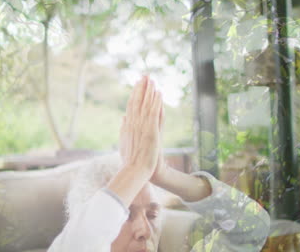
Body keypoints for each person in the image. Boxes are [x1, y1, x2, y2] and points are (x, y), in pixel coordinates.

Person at [48, 76, 270, 252]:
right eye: (124, 215)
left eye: (152, 214)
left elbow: (253, 229)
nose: (144, 231)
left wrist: (163, 175)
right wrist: (134, 170)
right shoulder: (75, 241)